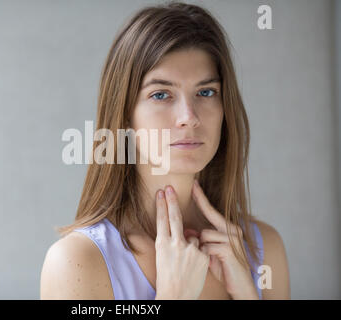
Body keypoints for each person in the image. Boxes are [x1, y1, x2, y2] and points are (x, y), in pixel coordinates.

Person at [40, 2, 290, 300]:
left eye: (206, 92)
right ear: (124, 115)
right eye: (161, 94)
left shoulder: (263, 249)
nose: (189, 116)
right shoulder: (77, 262)